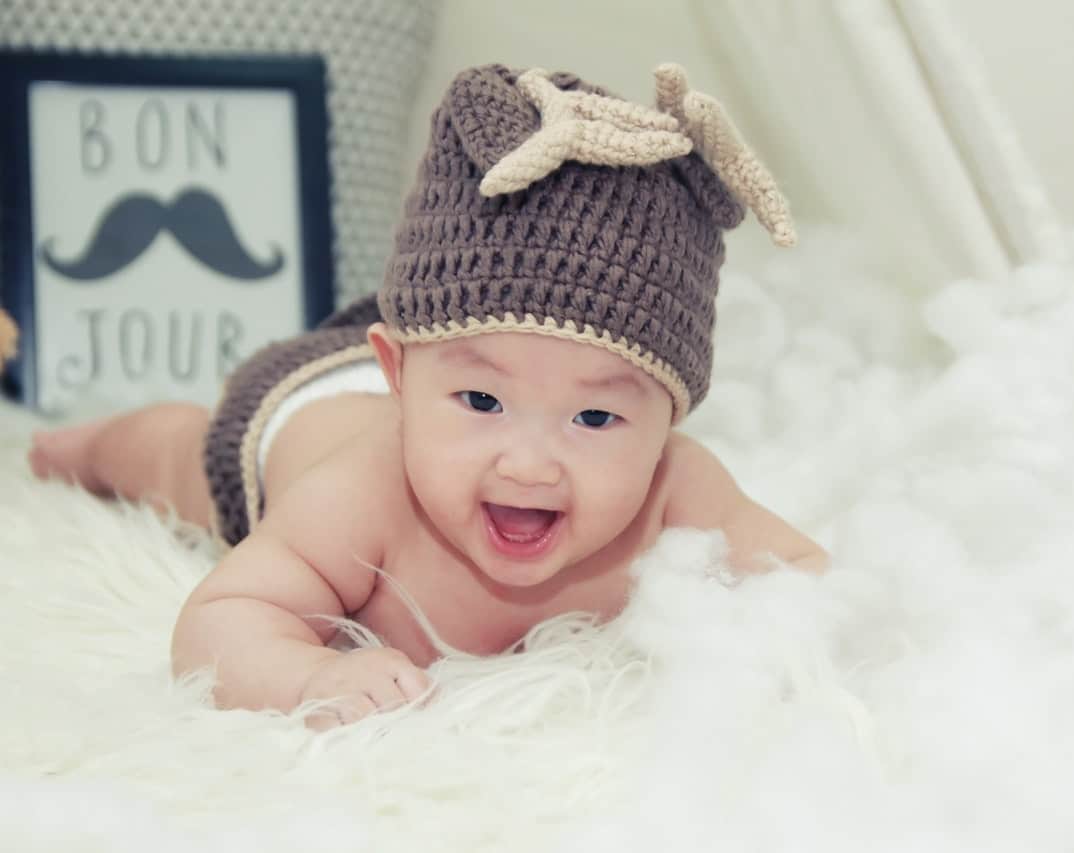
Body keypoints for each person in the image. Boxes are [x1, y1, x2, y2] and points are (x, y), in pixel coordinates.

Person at [26, 63, 827, 728]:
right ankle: (86, 444)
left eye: (594, 416)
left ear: (667, 423)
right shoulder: (363, 498)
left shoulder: (673, 490)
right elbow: (218, 619)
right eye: (483, 403)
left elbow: (803, 577)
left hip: (424, 359)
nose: (529, 462)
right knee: (173, 457)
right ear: (400, 376)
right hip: (296, 414)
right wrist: (307, 678)